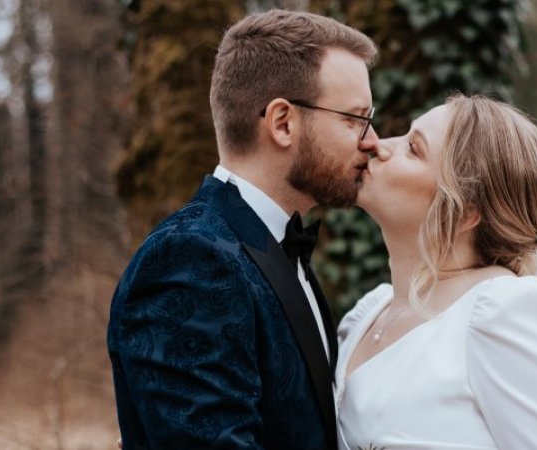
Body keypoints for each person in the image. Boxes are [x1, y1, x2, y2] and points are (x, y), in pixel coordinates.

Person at [107, 9, 378, 450]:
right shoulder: (189, 260)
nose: (372, 140)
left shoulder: (274, 246)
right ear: (283, 122)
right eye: (355, 118)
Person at [335, 94, 537, 449]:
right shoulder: (366, 314)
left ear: (466, 211)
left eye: (413, 149)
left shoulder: (506, 316)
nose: (377, 144)